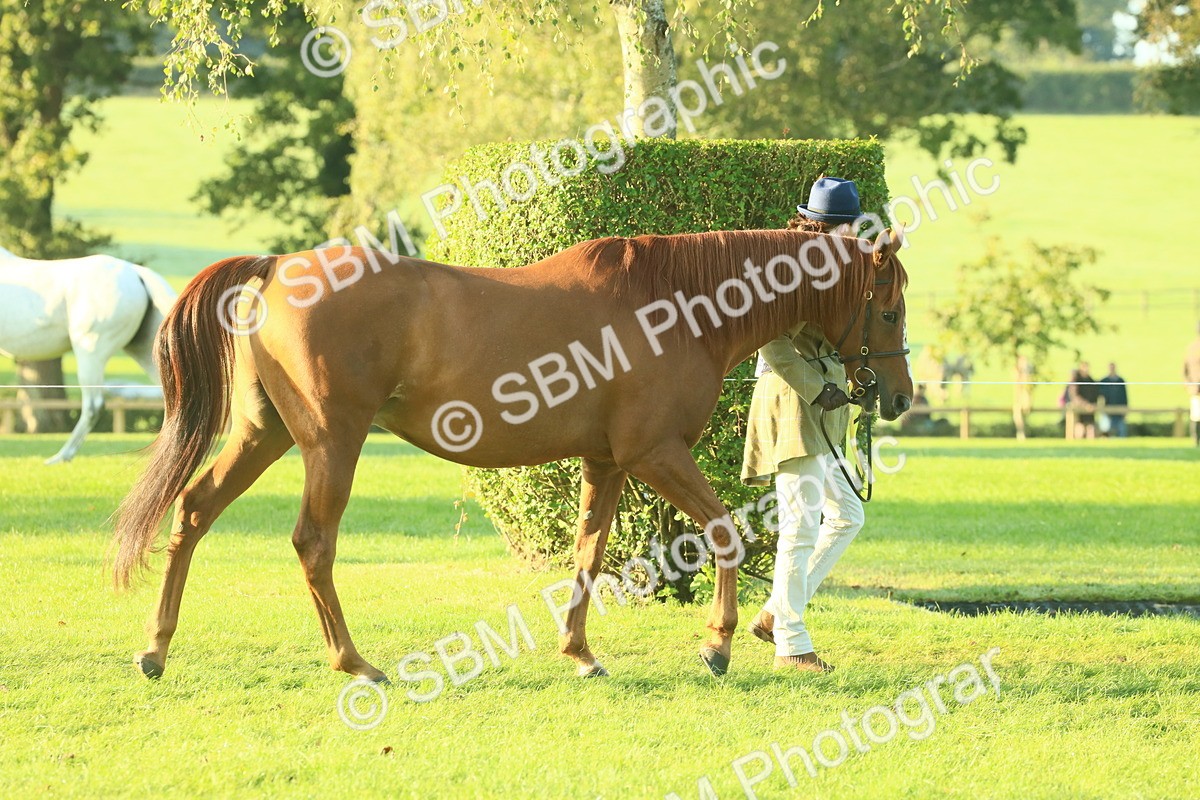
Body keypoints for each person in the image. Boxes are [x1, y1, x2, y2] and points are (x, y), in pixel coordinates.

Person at [741, 176, 866, 674]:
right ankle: (791, 645)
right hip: (791, 405)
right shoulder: (791, 274)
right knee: (798, 527)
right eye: (845, 228)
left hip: (824, 409)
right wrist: (819, 388)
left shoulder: (833, 268)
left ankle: (775, 614)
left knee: (848, 515)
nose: (851, 237)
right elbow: (771, 345)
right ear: (825, 228)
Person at [1068, 361, 1100, 439]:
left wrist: (1093, 404)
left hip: (1090, 408)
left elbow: (1096, 394)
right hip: (1079, 408)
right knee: (1079, 427)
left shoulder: (1091, 380)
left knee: (1090, 427)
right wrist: (1085, 405)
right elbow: (1074, 396)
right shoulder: (1076, 380)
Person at [1098, 362, 1129, 438]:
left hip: (1119, 408)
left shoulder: (1120, 380)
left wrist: (1125, 408)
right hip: (1107, 408)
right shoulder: (1103, 381)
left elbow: (1124, 395)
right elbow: (1100, 396)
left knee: (1121, 429)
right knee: (1106, 429)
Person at [1185, 324, 1200, 446]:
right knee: (1196, 416)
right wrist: (1189, 386)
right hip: (1196, 390)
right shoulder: (1192, 348)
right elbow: (1184, 370)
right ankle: (1196, 440)